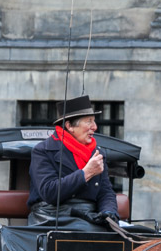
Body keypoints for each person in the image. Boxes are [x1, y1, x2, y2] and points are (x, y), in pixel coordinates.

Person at [27, 94, 118, 231]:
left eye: (94, 121)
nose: (94, 127)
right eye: (88, 121)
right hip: (51, 217)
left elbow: (105, 192)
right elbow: (50, 192)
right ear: (69, 126)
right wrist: (86, 173)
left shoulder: (97, 153)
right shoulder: (43, 151)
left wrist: (108, 213)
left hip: (88, 217)